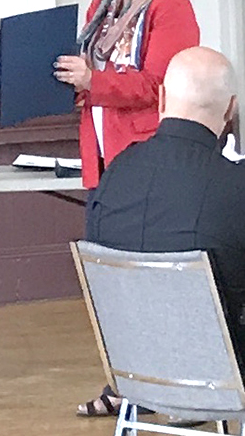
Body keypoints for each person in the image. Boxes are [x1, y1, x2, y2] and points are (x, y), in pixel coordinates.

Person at [81, 47, 245, 407]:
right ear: (230, 109)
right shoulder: (235, 186)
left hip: (133, 373)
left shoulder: (116, 174)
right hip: (222, 375)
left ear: (163, 99)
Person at [54, 0, 199, 191]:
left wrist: (90, 80)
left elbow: (158, 86)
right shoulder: (101, 5)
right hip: (99, 146)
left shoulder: (170, 6)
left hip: (145, 150)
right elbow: (91, 76)